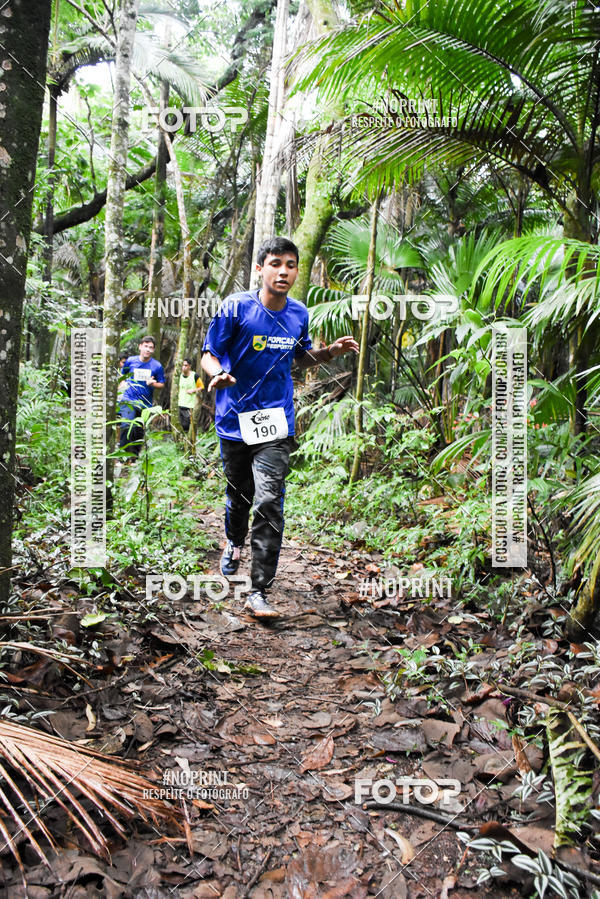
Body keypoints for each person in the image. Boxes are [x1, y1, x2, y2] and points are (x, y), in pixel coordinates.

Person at [201, 236, 358, 619]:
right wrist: (218, 374)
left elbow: (300, 357)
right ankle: (234, 541)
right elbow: (209, 353)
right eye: (275, 263)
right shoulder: (235, 307)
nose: (283, 271)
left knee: (269, 500)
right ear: (260, 269)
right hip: (233, 418)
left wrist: (328, 353)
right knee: (239, 495)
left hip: (275, 420)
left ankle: (258, 590)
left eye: (290, 264)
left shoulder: (299, 314)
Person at [119, 336, 165, 457]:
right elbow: (122, 375)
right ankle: (122, 456)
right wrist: (121, 385)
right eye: (146, 346)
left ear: (153, 350)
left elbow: (162, 384)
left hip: (145, 402)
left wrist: (153, 383)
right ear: (140, 346)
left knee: (138, 430)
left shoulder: (157, 366)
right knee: (126, 424)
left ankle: (134, 457)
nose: (148, 349)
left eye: (151, 347)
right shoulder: (130, 361)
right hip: (128, 398)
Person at [178, 358, 203, 433]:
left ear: (189, 366)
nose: (184, 367)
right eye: (182, 365)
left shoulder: (194, 375)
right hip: (180, 404)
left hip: (190, 405)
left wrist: (193, 390)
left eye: (186, 365)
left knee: (189, 425)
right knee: (181, 425)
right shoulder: (178, 376)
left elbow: (201, 387)